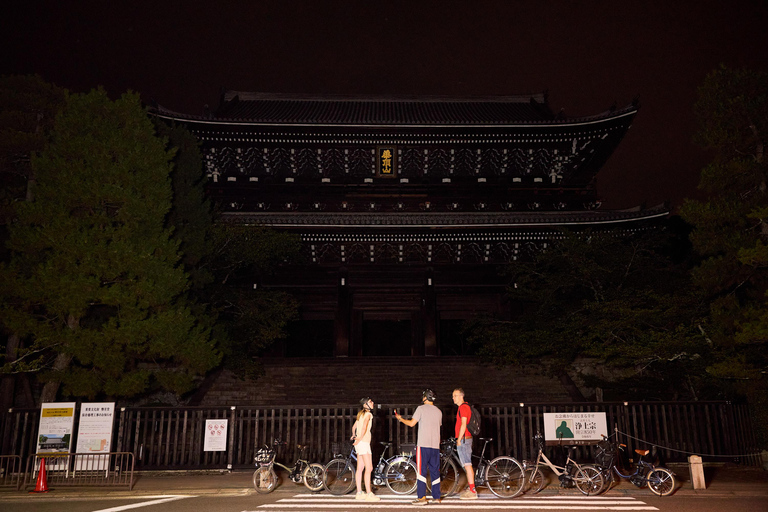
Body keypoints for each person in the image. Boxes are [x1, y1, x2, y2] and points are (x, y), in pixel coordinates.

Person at [395, 389, 442, 505]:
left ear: (426, 397)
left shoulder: (420, 409)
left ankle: (422, 497)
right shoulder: (439, 411)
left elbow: (411, 423)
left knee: (421, 471)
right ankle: (437, 497)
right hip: (435, 446)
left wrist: (400, 419)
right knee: (435, 471)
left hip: (423, 445)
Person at [351, 397, 380, 501]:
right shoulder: (368, 414)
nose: (372, 403)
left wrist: (354, 435)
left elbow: (354, 427)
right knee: (369, 468)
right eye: (370, 402)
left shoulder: (360, 414)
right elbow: (364, 428)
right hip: (363, 443)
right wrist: (359, 438)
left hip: (359, 444)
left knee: (360, 468)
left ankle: (359, 493)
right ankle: (369, 493)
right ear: (365, 405)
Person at [452, 388, 477, 499]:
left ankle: (472, 491)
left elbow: (463, 424)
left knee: (467, 464)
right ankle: (471, 487)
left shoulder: (463, 407)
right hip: (465, 439)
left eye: (455, 395)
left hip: (464, 439)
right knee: (467, 464)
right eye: (453, 396)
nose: (453, 398)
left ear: (461, 396)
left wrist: (459, 439)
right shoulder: (462, 408)